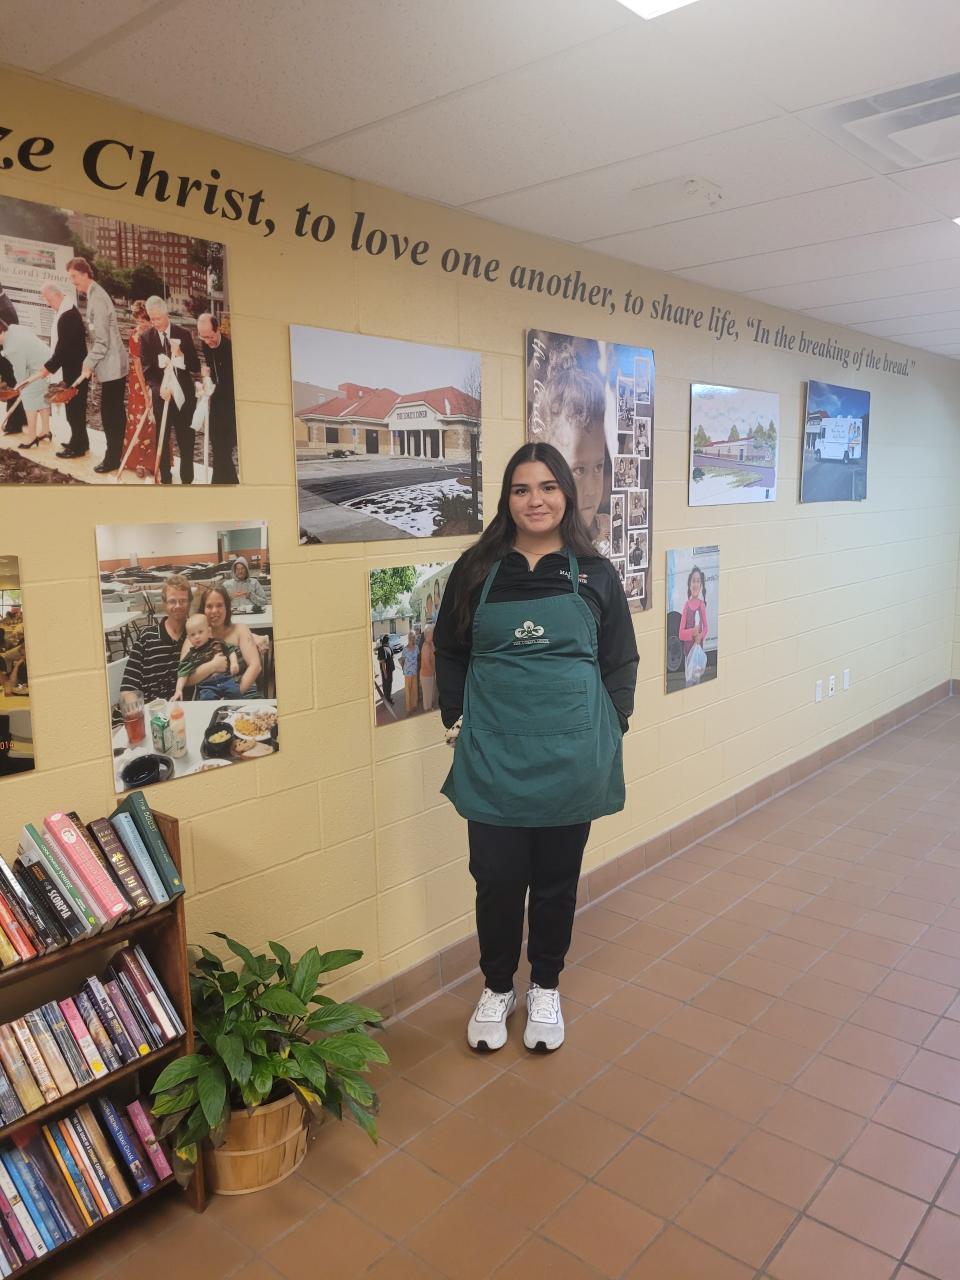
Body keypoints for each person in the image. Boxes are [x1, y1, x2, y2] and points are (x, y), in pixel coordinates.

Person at [435, 441, 638, 1053]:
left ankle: (545, 984)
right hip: (493, 756)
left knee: (555, 882)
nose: (535, 501)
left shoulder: (594, 573)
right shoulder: (476, 570)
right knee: (496, 881)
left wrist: (612, 724)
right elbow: (450, 650)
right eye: (521, 489)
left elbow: (620, 659)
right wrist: (456, 718)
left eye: (548, 487)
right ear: (507, 499)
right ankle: (498, 987)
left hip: (571, 759)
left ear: (565, 495)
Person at [536, 343, 609, 546]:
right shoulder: (535, 544)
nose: (592, 491)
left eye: (598, 467)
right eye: (579, 470)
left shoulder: (612, 529)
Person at [65, 256, 129, 467]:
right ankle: (116, 455)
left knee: (111, 414)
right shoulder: (93, 295)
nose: (72, 281)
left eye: (74, 276)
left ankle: (113, 459)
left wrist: (88, 362)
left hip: (113, 365)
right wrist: (91, 362)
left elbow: (102, 341)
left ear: (85, 274)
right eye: (70, 277)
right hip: (108, 363)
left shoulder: (98, 299)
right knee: (111, 411)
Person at [140, 296, 200, 484]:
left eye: (158, 318)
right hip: (162, 398)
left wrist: (181, 354)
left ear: (166, 314)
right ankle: (165, 478)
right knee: (162, 439)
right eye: (152, 318)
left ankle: (187, 480)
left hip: (184, 397)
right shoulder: (146, 338)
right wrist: (159, 389)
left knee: (186, 440)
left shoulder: (183, 334)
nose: (154, 323)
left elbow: (195, 366)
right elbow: (148, 371)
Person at [119, 574, 192, 703]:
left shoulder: (195, 638)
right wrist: (136, 710)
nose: (178, 606)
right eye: (172, 601)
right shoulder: (146, 637)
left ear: (190, 603)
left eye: (183, 601)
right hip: (150, 708)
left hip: (184, 708)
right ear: (164, 603)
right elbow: (128, 687)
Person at [188, 585, 263, 696]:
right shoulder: (194, 636)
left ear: (227, 607)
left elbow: (255, 666)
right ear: (203, 609)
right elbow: (187, 679)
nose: (214, 610)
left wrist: (234, 695)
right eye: (209, 606)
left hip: (243, 693)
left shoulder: (240, 629)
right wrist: (213, 666)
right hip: (208, 697)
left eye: (219, 605)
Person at [197, 313, 237, 484]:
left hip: (232, 404)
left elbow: (231, 383)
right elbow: (211, 371)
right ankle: (227, 484)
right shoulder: (206, 344)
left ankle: (220, 484)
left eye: (210, 337)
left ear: (218, 329)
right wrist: (206, 377)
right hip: (216, 401)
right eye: (203, 337)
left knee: (224, 449)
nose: (207, 341)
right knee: (216, 444)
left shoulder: (231, 349)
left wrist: (212, 385)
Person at [119, 300, 156, 479]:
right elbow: (138, 367)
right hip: (139, 381)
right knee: (140, 416)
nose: (141, 325)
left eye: (144, 320)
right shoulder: (135, 336)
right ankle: (139, 461)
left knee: (155, 420)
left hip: (156, 378)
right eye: (138, 321)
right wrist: (145, 391)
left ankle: (154, 461)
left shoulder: (156, 333)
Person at [0, 321, 52, 449]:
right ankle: (46, 431)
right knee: (42, 396)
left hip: (39, 367)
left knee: (28, 398)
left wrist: (19, 387)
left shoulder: (11, 347)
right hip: (48, 360)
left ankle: (32, 437)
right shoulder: (12, 328)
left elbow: (20, 374)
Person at [172, 613, 242, 701]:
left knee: (235, 692)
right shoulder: (191, 655)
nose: (197, 637)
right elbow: (182, 673)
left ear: (208, 631)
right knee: (206, 698)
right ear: (188, 638)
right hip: (206, 685)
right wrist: (178, 690)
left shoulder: (217, 642)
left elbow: (231, 650)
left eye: (200, 632)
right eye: (192, 635)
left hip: (225, 679)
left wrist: (234, 663)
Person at [0, 286, 25, 436]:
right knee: (11, 385)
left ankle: (15, 424)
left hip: (8, 354)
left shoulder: (5, 307)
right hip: (6, 352)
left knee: (11, 387)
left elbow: (8, 333)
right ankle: (19, 419)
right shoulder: (3, 302)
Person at [679, 565, 708, 686]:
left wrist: (700, 636)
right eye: (693, 581)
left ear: (701, 585)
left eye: (698, 581)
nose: (695, 584)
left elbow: (706, 627)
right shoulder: (686, 606)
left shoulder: (701, 605)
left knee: (697, 682)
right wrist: (692, 632)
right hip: (688, 654)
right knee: (689, 683)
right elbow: (681, 634)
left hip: (698, 652)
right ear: (689, 584)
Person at [401, 631, 419, 714]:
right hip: (407, 673)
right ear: (408, 638)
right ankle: (408, 709)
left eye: (413, 637)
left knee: (414, 690)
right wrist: (404, 669)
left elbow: (417, 658)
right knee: (408, 691)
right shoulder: (405, 649)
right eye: (410, 637)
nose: (412, 639)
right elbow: (402, 660)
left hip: (414, 672)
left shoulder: (417, 648)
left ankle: (414, 705)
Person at [420, 625, 437, 711]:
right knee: (427, 694)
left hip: (430, 673)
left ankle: (430, 707)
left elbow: (435, 653)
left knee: (431, 693)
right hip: (427, 674)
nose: (434, 634)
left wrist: (432, 643)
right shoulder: (426, 646)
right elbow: (426, 663)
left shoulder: (430, 643)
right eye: (432, 633)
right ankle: (427, 710)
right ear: (428, 634)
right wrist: (432, 672)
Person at [377, 635, 395, 705]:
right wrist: (385, 673)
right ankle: (388, 698)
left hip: (390, 670)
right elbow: (382, 662)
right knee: (386, 684)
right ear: (386, 641)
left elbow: (392, 656)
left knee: (389, 683)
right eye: (389, 640)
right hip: (386, 671)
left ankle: (387, 696)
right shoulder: (382, 649)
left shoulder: (389, 647)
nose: (389, 642)